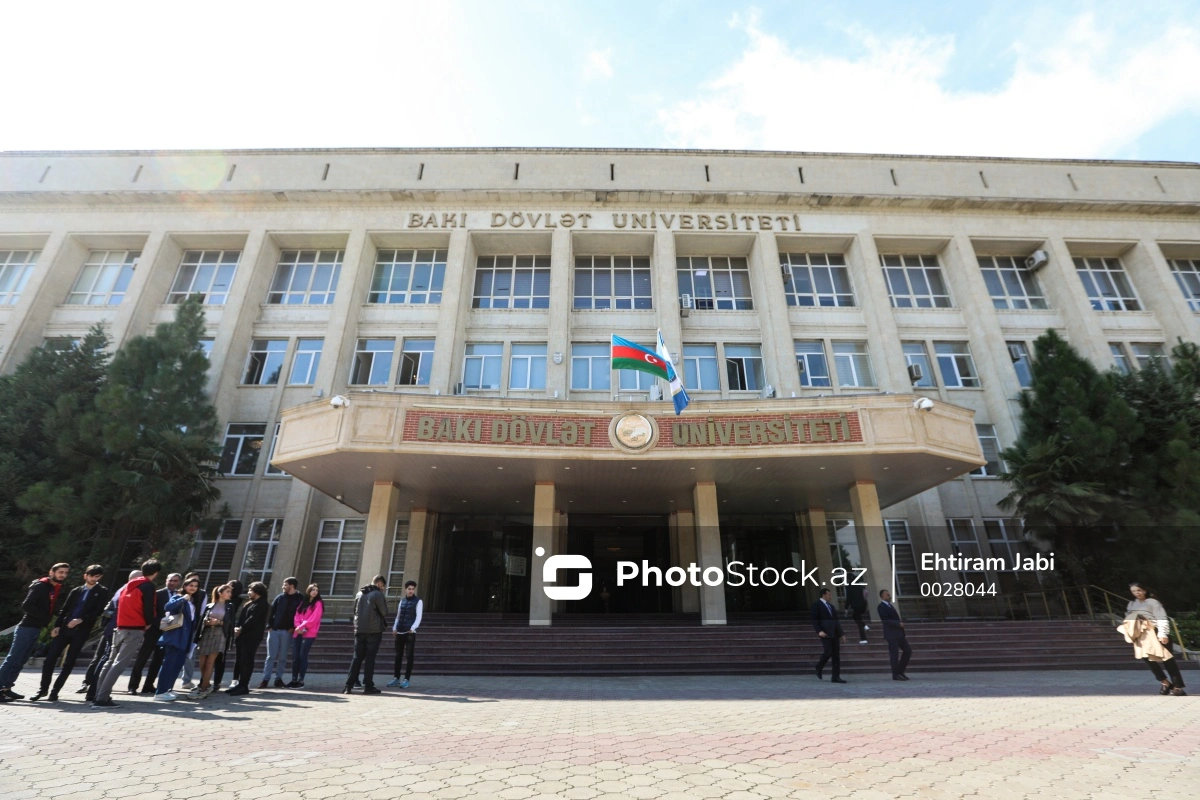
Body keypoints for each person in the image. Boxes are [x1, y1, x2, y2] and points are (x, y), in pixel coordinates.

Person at [33, 565, 111, 702]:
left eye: (97, 576)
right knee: (50, 659)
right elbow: (65, 609)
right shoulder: (76, 590)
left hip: (81, 631)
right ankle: (43, 689)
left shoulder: (102, 592)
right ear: (85, 576)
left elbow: (98, 611)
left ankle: (55, 691)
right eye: (92, 575)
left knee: (69, 662)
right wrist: (57, 626)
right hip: (65, 629)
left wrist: (81, 620)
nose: (94, 578)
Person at [91, 559, 161, 708]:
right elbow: (148, 607)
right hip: (135, 628)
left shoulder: (127, 585)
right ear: (155, 573)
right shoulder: (148, 586)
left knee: (110, 662)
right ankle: (101, 699)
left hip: (120, 627)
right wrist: (149, 622)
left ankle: (98, 695)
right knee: (119, 664)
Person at [0, 562, 70, 703]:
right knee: (13, 659)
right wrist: (44, 618)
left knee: (21, 660)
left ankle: (6, 688)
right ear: (52, 572)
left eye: (65, 573)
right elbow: (26, 605)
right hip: (26, 628)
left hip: (35, 628)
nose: (63, 575)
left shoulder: (52, 588)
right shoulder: (40, 586)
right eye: (60, 572)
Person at [78, 570, 139, 695]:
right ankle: (94, 689)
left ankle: (90, 685)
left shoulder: (121, 590)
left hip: (112, 629)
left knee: (101, 658)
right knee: (106, 659)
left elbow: (108, 608)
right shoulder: (129, 591)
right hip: (118, 629)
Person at [1122, 582, 1187, 696]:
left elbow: (1161, 618)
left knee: (1168, 660)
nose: (1137, 593)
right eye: (1134, 591)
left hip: (1155, 631)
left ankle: (1178, 686)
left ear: (1144, 590)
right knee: (1147, 659)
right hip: (1141, 635)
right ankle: (1165, 682)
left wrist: (1163, 634)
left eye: (1139, 590)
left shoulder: (1153, 602)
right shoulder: (1131, 604)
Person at [128, 572, 181, 695]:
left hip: (168, 631)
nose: (172, 583)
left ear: (179, 582)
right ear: (166, 581)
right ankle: (133, 686)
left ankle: (149, 685)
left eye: (175, 581)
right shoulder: (157, 594)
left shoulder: (180, 596)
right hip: (154, 629)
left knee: (158, 659)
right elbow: (150, 609)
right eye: (170, 580)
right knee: (143, 657)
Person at [153, 575, 201, 701]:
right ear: (184, 586)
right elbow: (167, 607)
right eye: (190, 585)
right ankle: (160, 691)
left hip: (185, 638)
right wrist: (183, 599)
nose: (193, 588)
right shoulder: (179, 597)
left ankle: (168, 689)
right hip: (175, 636)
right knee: (169, 663)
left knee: (177, 664)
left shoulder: (192, 601)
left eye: (195, 586)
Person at [344, 575, 388, 695]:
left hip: (359, 630)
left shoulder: (359, 593)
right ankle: (368, 686)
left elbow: (354, 611)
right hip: (374, 631)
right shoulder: (377, 594)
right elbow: (384, 611)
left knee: (356, 658)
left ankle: (348, 686)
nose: (383, 588)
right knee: (370, 659)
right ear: (379, 584)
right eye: (383, 586)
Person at [191, 584, 233, 700]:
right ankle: (206, 684)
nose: (230, 594)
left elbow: (230, 624)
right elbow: (202, 621)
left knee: (210, 662)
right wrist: (207, 622)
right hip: (206, 633)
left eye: (230, 592)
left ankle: (203, 689)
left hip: (220, 635)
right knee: (202, 662)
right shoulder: (209, 606)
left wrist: (218, 622)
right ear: (220, 593)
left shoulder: (229, 606)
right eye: (228, 592)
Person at [227, 582, 269, 696]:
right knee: (240, 660)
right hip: (243, 635)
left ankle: (244, 685)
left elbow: (252, 619)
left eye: (251, 590)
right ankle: (239, 684)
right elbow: (242, 618)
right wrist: (237, 628)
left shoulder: (262, 604)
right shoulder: (250, 603)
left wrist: (241, 628)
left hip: (252, 636)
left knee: (247, 660)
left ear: (257, 592)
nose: (249, 593)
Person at [260, 577, 301, 689]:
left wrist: (293, 627)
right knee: (270, 656)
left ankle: (278, 679)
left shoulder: (299, 598)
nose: (283, 587)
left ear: (291, 586)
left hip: (288, 631)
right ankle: (265, 679)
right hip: (274, 630)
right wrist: (269, 626)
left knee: (282, 657)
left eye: (285, 585)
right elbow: (271, 612)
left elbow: (300, 614)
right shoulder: (279, 597)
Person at [388, 580, 423, 689]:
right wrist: (394, 628)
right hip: (399, 631)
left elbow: (418, 617)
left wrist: (413, 628)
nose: (411, 591)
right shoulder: (402, 601)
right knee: (398, 656)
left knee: (409, 656)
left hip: (409, 633)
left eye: (413, 589)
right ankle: (396, 678)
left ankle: (406, 679)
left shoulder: (418, 601)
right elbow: (398, 616)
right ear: (405, 589)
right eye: (409, 589)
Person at [212, 579, 245, 690]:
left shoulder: (234, 602)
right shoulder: (219, 601)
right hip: (213, 631)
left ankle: (217, 682)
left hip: (225, 630)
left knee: (220, 657)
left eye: (230, 587)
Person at [289, 584, 323, 688]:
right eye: (313, 589)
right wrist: (298, 627)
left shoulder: (318, 603)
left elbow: (314, 618)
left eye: (316, 590)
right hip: (298, 632)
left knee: (302, 656)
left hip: (309, 633)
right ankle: (293, 679)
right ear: (308, 591)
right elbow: (297, 616)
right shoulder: (302, 602)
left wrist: (303, 627)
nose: (315, 592)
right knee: (295, 657)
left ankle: (301, 680)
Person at [810, 588, 847, 683]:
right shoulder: (817, 605)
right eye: (829, 595)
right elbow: (814, 620)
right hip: (825, 633)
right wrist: (819, 631)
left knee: (836, 655)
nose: (830, 597)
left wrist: (841, 634)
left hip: (834, 632)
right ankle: (819, 666)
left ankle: (835, 676)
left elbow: (836, 621)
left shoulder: (831, 606)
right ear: (824, 595)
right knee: (828, 652)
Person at [877, 589, 912, 681]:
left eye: (889, 594)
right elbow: (885, 620)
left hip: (899, 634)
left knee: (908, 651)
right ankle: (895, 674)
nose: (889, 596)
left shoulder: (890, 606)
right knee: (894, 655)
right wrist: (898, 624)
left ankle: (900, 671)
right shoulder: (881, 607)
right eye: (887, 595)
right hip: (891, 634)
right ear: (883, 596)